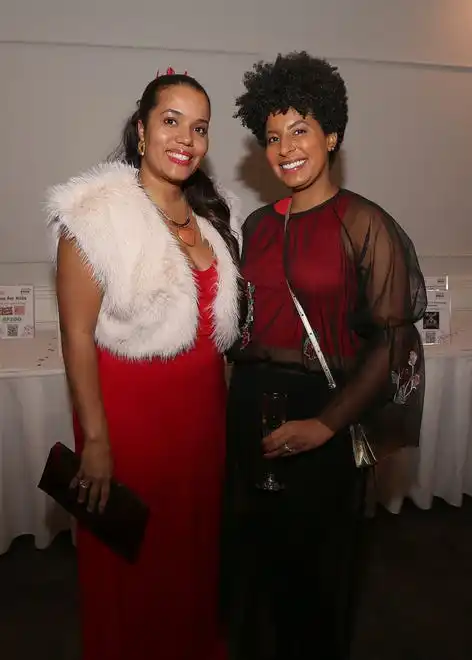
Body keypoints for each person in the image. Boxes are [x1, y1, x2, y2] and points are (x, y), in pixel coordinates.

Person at [222, 52, 426, 660]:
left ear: (332, 132)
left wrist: (327, 425)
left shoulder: (364, 224)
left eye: (300, 130)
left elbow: (391, 345)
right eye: (273, 136)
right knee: (254, 560)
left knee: (316, 565)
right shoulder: (257, 224)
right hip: (252, 399)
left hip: (328, 403)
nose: (284, 148)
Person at [46, 69, 240, 660]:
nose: (185, 137)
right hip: (130, 424)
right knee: (129, 557)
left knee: (191, 551)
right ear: (141, 129)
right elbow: (76, 335)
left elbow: (217, 333)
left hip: (201, 422)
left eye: (199, 127)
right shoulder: (95, 217)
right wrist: (97, 440)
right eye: (170, 120)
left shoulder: (210, 220)